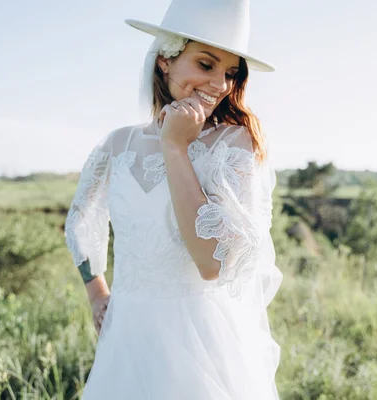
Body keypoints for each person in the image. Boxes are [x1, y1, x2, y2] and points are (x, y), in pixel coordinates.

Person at [64, 0, 283, 398]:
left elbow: (212, 262)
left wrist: (176, 148)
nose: (220, 84)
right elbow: (80, 220)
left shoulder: (234, 144)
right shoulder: (118, 144)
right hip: (126, 339)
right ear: (166, 59)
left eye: (231, 72)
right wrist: (96, 292)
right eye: (206, 64)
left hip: (200, 344)